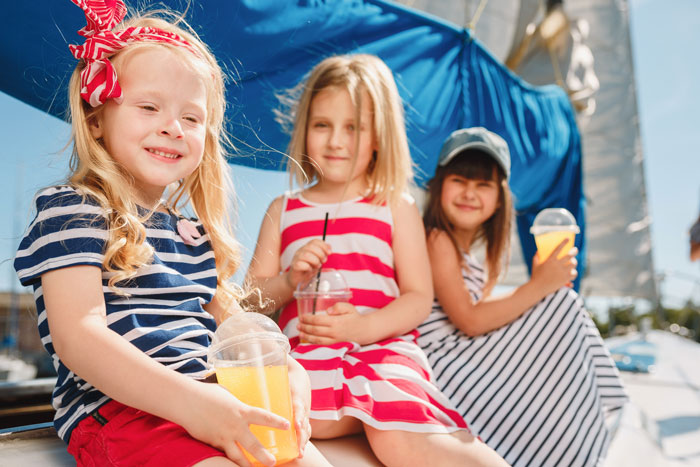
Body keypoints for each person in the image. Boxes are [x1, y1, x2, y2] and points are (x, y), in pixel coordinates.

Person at [13, 1, 329, 466]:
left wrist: (291, 371)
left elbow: (238, 328)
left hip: (212, 402)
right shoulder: (73, 208)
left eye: (192, 118)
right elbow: (78, 336)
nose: (173, 127)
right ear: (96, 118)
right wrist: (195, 406)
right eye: (149, 107)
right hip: (122, 412)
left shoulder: (191, 234)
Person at [246, 54, 508, 466]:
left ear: (379, 136)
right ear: (303, 130)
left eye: (354, 127)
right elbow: (250, 300)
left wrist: (362, 327)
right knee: (278, 423)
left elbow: (418, 297)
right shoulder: (284, 209)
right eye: (322, 125)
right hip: (304, 357)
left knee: (397, 436)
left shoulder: (395, 206)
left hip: (382, 352)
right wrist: (288, 280)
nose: (336, 141)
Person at [417, 127, 628, 466]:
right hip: (442, 363)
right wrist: (540, 284)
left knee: (556, 303)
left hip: (461, 356)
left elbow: (480, 313)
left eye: (483, 184)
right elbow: (468, 320)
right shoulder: (436, 239)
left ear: (499, 198)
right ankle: (581, 433)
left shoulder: (476, 256)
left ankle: (572, 427)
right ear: (438, 185)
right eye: (460, 180)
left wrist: (540, 286)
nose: (470, 192)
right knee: (560, 303)